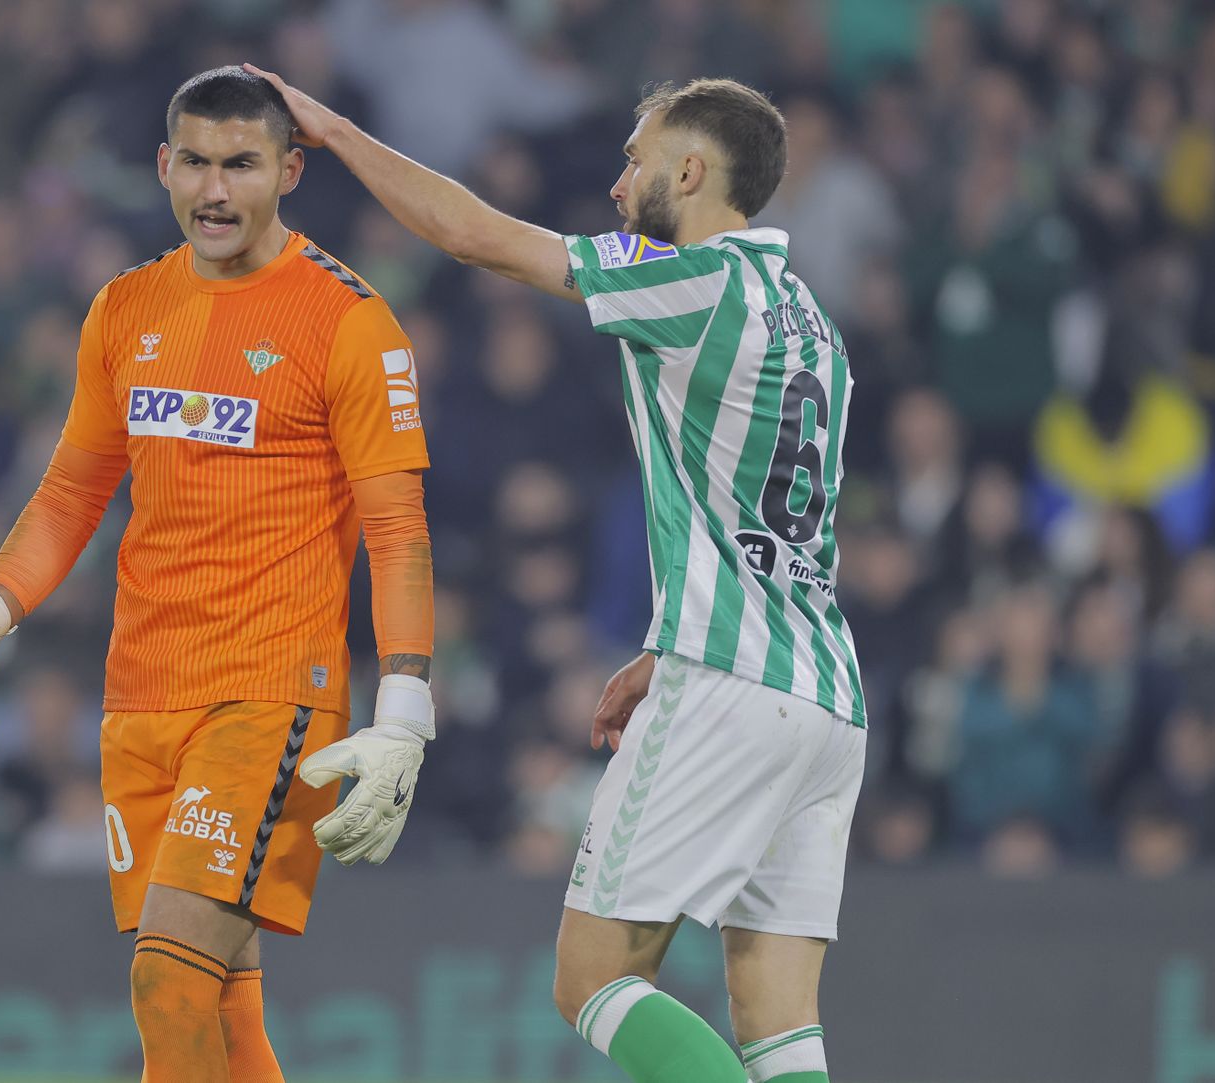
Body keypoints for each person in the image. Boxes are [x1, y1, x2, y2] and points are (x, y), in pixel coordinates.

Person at [250, 63, 866, 1083]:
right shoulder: (811, 323)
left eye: (634, 162)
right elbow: (772, 526)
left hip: (729, 686)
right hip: (823, 696)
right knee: (779, 1021)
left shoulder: (696, 280)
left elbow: (477, 236)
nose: (618, 186)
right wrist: (668, 645)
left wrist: (337, 132)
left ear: (693, 166)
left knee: (591, 981)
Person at [0, 68, 436, 1083]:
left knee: (167, 980)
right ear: (163, 167)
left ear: (288, 170)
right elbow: (71, 494)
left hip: (269, 691)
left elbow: (396, 527)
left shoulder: (348, 322)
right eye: (195, 161)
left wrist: (405, 708)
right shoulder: (124, 309)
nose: (214, 187)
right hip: (140, 695)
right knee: (224, 1008)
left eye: (240, 164)